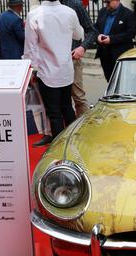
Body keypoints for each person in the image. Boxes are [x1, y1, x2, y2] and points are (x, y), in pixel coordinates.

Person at [23, 0, 84, 146]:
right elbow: (79, 34)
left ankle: (59, 147)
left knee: (54, 112)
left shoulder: (34, 14)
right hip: (65, 69)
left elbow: (30, 47)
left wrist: (31, 69)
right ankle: (71, 143)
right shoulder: (69, 12)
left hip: (46, 71)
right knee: (67, 107)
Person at [61, 0, 97, 119]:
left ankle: (84, 130)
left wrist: (82, 47)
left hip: (72, 58)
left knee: (78, 97)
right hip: (52, 60)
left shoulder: (75, 4)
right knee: (58, 100)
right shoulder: (44, 7)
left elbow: (92, 31)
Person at [95, 0, 136, 81]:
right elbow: (96, 28)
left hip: (120, 55)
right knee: (110, 81)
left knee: (122, 81)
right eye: (105, 2)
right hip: (104, 54)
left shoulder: (128, 14)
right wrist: (98, 36)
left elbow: (130, 33)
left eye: (108, 2)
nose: (106, 5)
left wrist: (111, 39)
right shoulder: (102, 11)